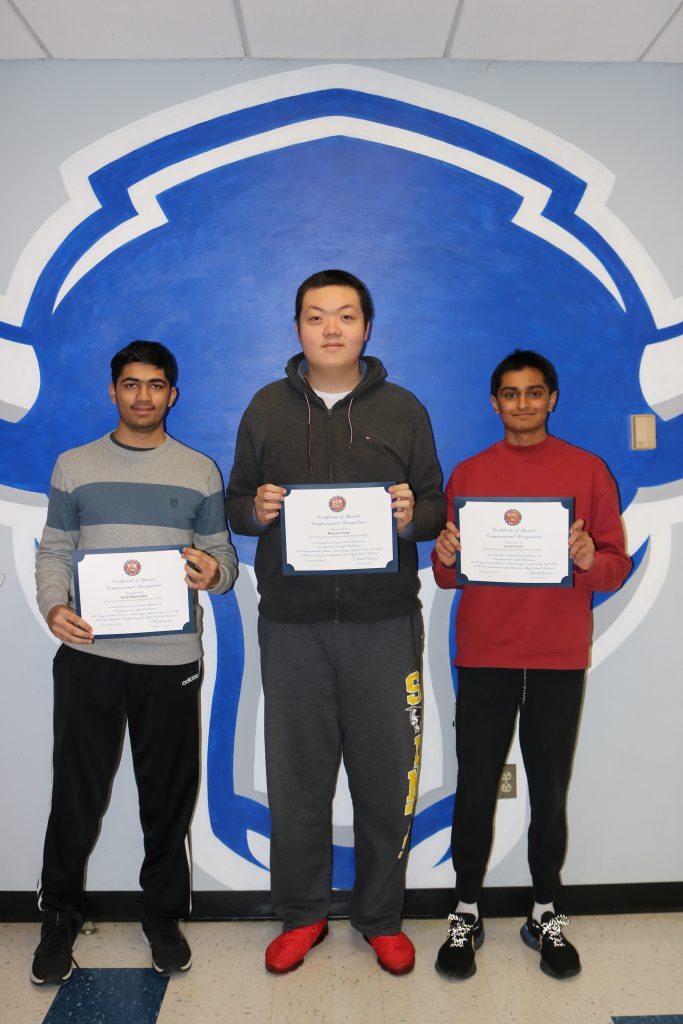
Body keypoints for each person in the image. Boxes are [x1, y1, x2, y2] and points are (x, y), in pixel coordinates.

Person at [226, 269, 444, 976]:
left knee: (386, 776)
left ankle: (380, 917)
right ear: (297, 328)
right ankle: (303, 914)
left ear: (366, 327)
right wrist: (253, 512)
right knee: (298, 778)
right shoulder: (265, 408)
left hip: (384, 624)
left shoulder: (404, 409)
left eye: (344, 316)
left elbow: (437, 508)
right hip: (291, 624)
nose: (330, 329)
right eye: (315, 316)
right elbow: (233, 505)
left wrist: (417, 516)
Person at [31, 341, 238, 985]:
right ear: (113, 391)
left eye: (155, 385)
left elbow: (222, 559)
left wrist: (214, 573)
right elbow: (55, 549)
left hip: (171, 658)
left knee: (167, 799)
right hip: (90, 654)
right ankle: (59, 919)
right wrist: (52, 605)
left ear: (172, 394)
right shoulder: (74, 466)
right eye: (131, 384)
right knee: (75, 795)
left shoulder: (200, 471)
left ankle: (163, 917)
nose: (143, 396)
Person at [432, 349, 630, 981]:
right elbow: (446, 573)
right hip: (486, 654)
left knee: (549, 791)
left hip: (556, 657)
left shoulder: (587, 470)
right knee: (474, 788)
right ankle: (465, 911)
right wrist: (442, 552)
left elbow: (615, 565)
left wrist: (585, 560)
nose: (523, 404)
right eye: (510, 394)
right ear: (495, 403)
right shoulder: (467, 474)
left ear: (552, 399)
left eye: (534, 393)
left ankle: (544, 910)